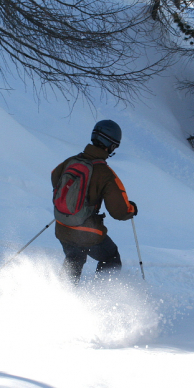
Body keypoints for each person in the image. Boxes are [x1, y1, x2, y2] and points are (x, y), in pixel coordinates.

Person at [51, 120, 137, 285]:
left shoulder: (71, 161)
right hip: (86, 231)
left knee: (74, 258)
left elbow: (55, 176)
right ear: (111, 146)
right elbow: (119, 211)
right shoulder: (105, 173)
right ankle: (100, 296)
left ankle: (62, 295)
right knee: (110, 257)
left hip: (62, 225)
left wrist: (70, 200)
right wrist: (131, 209)